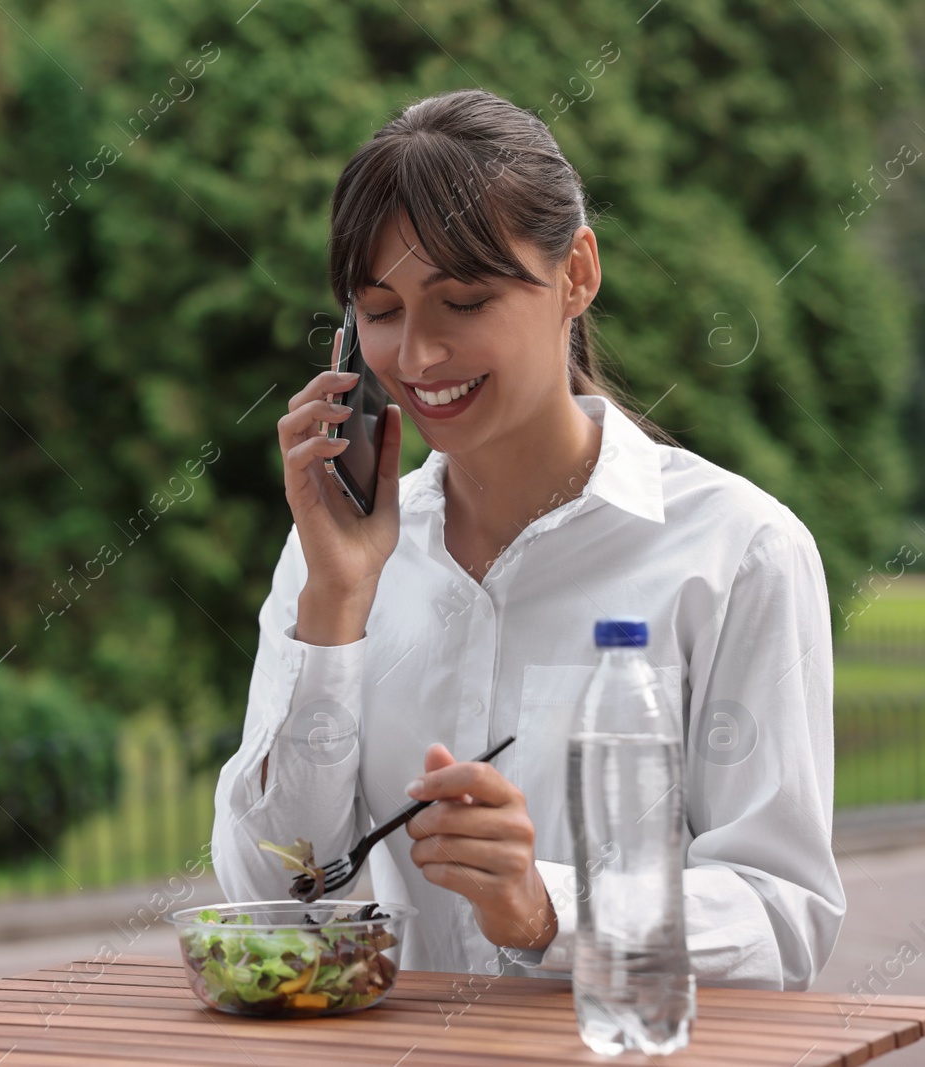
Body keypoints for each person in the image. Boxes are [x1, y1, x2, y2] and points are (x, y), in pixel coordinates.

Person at [210, 88, 845, 990]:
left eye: (463, 301)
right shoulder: (332, 558)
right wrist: (336, 606)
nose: (420, 357)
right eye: (381, 311)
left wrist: (547, 909)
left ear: (576, 273)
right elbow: (271, 895)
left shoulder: (738, 552)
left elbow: (782, 918)